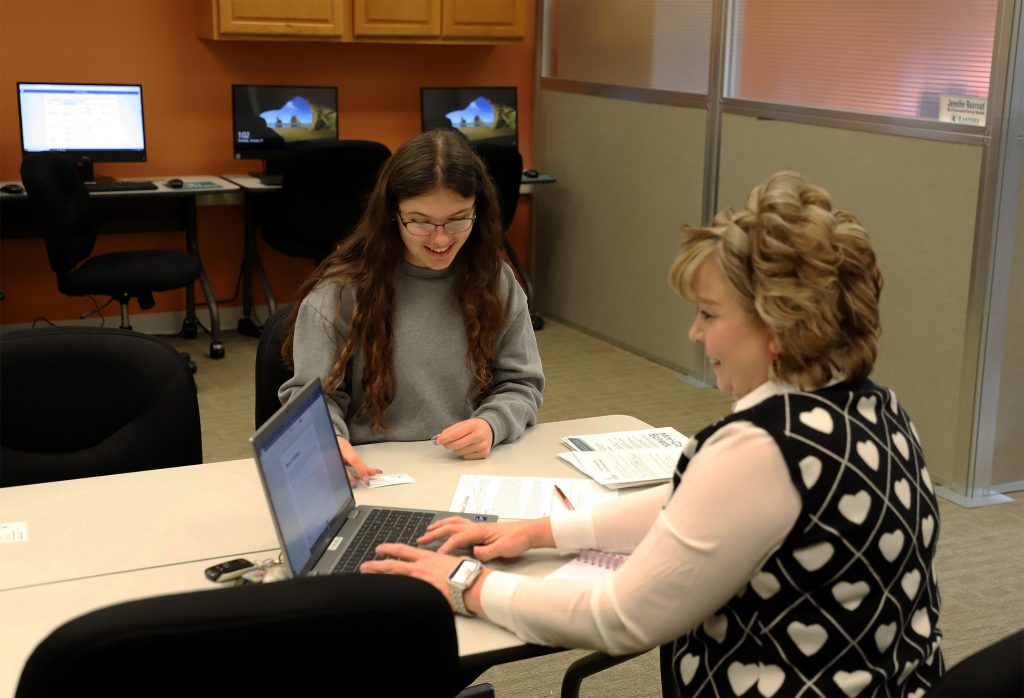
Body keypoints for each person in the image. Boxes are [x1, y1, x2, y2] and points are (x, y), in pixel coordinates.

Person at [363, 171, 944, 696]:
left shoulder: (760, 448)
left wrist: (466, 584)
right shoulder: (873, 406)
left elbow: (621, 618)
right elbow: (694, 506)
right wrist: (540, 530)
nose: (695, 333)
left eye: (711, 315)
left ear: (779, 325)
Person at [279, 129, 544, 482]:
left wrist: (491, 424)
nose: (440, 238)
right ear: (392, 213)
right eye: (419, 221)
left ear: (478, 210)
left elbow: (521, 384)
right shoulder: (341, 292)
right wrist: (329, 440)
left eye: (458, 219)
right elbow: (310, 403)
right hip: (374, 472)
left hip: (466, 469)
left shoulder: (495, 282)